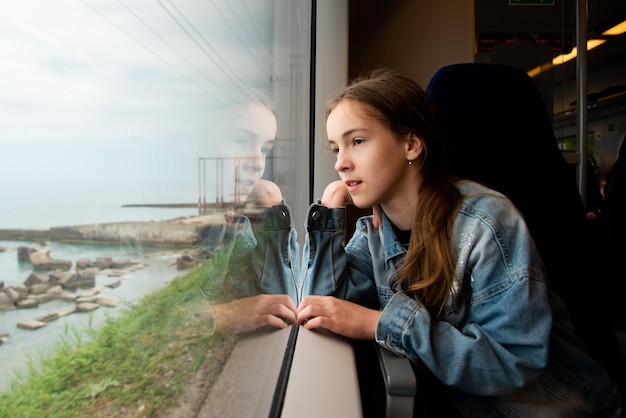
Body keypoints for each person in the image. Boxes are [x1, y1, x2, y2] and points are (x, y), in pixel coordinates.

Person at [297, 69, 623, 416]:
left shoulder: (487, 221)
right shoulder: (375, 233)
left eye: (357, 141)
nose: (341, 164)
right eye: (335, 148)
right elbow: (319, 306)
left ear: (410, 143)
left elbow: (513, 361)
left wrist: (379, 323)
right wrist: (329, 214)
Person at [195, 87, 300, 334]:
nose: (257, 163)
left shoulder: (235, 225)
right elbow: (145, 325)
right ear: (196, 143)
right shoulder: (175, 228)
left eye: (264, 149)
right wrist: (223, 316)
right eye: (241, 141)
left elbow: (282, 305)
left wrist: (273, 204)